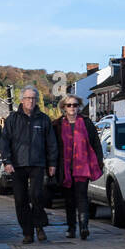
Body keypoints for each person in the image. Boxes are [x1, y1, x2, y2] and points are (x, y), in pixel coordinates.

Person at [0, 85, 57, 243]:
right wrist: (7, 161)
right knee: (20, 199)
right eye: (27, 98)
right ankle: (27, 232)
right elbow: (4, 142)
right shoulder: (12, 119)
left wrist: (52, 163)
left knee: (36, 195)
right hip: (17, 165)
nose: (30, 101)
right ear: (22, 100)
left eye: (33, 98)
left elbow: (51, 143)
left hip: (38, 164)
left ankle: (39, 226)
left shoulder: (44, 119)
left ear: (36, 100)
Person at [53, 95, 103, 240]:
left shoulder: (86, 123)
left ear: (79, 107)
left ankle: (84, 227)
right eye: (69, 105)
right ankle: (71, 227)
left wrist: (99, 161)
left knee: (81, 196)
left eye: (75, 105)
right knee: (69, 199)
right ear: (64, 108)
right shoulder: (57, 125)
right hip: (65, 167)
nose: (72, 108)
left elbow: (96, 143)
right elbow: (53, 146)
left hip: (82, 166)